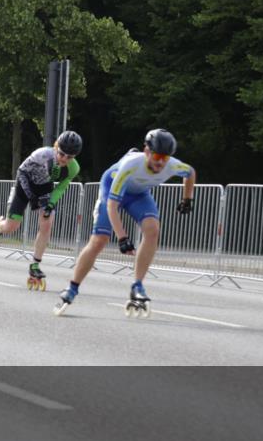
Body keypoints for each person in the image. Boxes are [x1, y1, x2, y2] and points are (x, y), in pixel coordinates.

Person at [55, 129, 196, 317]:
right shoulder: (131, 165)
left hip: (139, 195)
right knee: (100, 240)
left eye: (165, 157)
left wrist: (187, 199)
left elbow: (190, 172)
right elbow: (112, 206)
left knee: (153, 229)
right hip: (112, 189)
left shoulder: (173, 165)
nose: (161, 162)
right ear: (147, 151)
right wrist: (122, 238)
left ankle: (137, 286)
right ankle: (72, 287)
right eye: (157, 155)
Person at [0, 131, 83, 290]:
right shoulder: (41, 155)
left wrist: (50, 203)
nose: (64, 159)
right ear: (56, 147)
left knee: (47, 223)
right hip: (24, 185)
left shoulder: (73, 168)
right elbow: (21, 173)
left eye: (69, 157)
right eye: (62, 154)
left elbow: (62, 187)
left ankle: (35, 265)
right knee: (12, 227)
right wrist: (31, 197)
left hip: (44, 189)